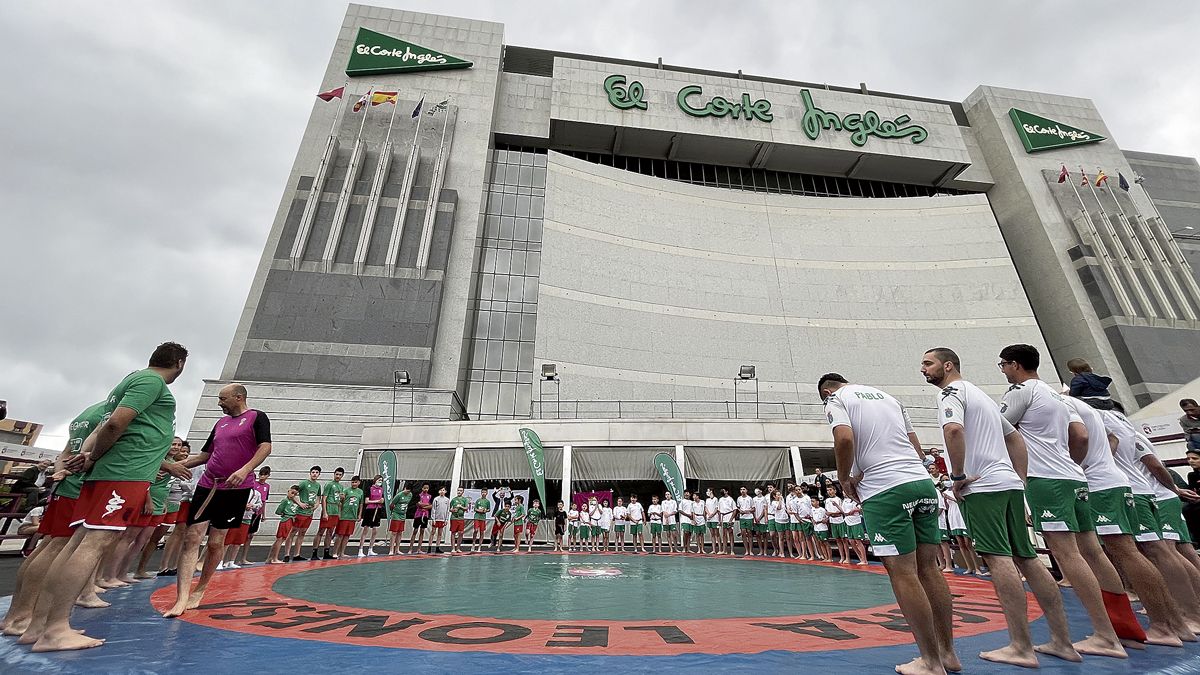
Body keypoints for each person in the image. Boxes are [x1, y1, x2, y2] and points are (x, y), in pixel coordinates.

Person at [23, 342, 188, 652]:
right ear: (179, 363)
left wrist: (87, 455)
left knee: (75, 544)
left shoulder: (130, 380)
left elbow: (104, 424)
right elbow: (114, 423)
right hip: (123, 473)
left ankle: (40, 624)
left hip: (112, 472)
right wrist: (92, 456)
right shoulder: (151, 381)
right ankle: (55, 629)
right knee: (91, 545)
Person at [922, 347, 1079, 668]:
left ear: (947, 365)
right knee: (1029, 558)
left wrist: (958, 475)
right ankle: (1062, 641)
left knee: (998, 560)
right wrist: (1018, 479)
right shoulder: (980, 394)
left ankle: (1021, 646)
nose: (922, 369)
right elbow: (1015, 439)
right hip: (1006, 482)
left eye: (928, 363)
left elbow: (953, 430)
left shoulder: (951, 393)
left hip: (983, 486)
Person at [820, 371, 958, 675]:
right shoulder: (887, 397)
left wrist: (844, 478)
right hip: (921, 484)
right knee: (929, 569)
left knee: (903, 573)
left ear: (826, 391)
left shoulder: (835, 399)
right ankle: (948, 653)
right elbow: (915, 444)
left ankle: (931, 661)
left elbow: (843, 437)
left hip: (885, 488)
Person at [997, 344, 1126, 656]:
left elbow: (997, 430)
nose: (1001, 370)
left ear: (1014, 365)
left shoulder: (1021, 390)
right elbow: (1080, 436)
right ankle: (1119, 628)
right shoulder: (1057, 395)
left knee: (1068, 556)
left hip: (1047, 479)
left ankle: (1104, 635)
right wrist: (1072, 464)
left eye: (1002, 365)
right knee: (1093, 552)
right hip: (1073, 476)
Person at [1067, 394, 1192, 645]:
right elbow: (1112, 440)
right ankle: (1176, 621)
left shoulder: (1089, 414)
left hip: (1116, 488)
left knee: (1141, 552)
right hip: (1126, 486)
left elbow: (1154, 464)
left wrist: (1078, 466)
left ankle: (1169, 623)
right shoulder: (1114, 421)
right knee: (1151, 552)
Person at [2, 402, 110, 638]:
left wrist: (58, 475)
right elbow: (99, 446)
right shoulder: (110, 412)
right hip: (80, 486)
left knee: (49, 546)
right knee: (56, 547)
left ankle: (17, 614)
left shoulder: (86, 413)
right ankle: (22, 616)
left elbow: (65, 453)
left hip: (66, 484)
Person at [163, 383, 271, 618]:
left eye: (223, 399)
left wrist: (245, 470)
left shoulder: (256, 418)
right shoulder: (220, 424)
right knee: (192, 537)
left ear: (238, 397)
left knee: (215, 542)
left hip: (235, 487)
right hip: (208, 485)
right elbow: (205, 455)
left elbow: (265, 447)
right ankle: (181, 598)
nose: (219, 403)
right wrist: (173, 466)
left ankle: (200, 589)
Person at [219, 485, 260, 570]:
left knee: (238, 542)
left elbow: (260, 504)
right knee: (227, 541)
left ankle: (231, 561)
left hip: (247, 518)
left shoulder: (257, 494)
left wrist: (253, 506)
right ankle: (220, 561)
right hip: (236, 517)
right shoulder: (239, 491)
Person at [237, 466, 271, 565]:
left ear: (268, 476)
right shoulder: (253, 484)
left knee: (250, 535)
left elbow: (264, 501)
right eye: (261, 474)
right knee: (241, 534)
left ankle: (243, 558)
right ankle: (232, 558)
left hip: (257, 513)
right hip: (247, 512)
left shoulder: (267, 486)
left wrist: (263, 514)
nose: (262, 476)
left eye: (264, 475)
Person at [312, 467, 346, 560]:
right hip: (328, 509)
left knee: (330, 532)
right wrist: (324, 512)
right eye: (337, 474)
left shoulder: (341, 487)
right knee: (321, 531)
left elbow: (340, 501)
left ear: (342, 476)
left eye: (340, 475)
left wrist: (339, 511)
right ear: (334, 474)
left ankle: (326, 552)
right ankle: (314, 552)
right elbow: (324, 498)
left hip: (335, 510)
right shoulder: (329, 484)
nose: (338, 476)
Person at [268, 486, 304, 564]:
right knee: (280, 539)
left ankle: (270, 558)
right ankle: (274, 558)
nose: (293, 495)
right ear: (288, 491)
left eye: (295, 494)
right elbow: (278, 511)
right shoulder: (285, 501)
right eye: (292, 493)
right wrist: (285, 514)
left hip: (290, 521)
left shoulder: (294, 502)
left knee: (281, 539)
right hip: (286, 520)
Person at [334, 476, 363, 559]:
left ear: (359, 483)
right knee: (340, 535)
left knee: (347, 535)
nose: (354, 484)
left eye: (355, 482)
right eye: (352, 482)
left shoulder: (360, 492)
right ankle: (335, 552)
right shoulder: (346, 491)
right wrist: (339, 513)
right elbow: (340, 502)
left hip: (352, 516)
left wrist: (359, 514)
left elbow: (361, 504)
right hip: (344, 516)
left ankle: (342, 553)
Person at [357, 474, 385, 557]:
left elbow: (382, 500)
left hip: (377, 510)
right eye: (379, 480)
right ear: (375, 480)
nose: (380, 482)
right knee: (366, 529)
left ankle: (370, 549)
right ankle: (361, 549)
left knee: (375, 530)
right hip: (370, 510)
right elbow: (367, 501)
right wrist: (376, 501)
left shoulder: (381, 489)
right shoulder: (370, 489)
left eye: (381, 481)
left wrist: (380, 501)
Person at [840, 494, 869, 565]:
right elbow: (844, 511)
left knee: (858, 541)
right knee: (851, 541)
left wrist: (854, 510)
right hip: (847, 521)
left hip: (856, 522)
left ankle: (864, 560)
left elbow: (860, 508)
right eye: (843, 492)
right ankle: (860, 558)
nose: (844, 493)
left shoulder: (856, 499)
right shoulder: (844, 501)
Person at [387, 483, 413, 556]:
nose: (407, 492)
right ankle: (391, 549)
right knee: (394, 532)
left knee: (400, 532)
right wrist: (394, 511)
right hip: (396, 514)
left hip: (403, 515)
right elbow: (391, 505)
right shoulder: (399, 495)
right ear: (404, 488)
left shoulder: (410, 495)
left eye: (409, 491)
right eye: (406, 490)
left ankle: (397, 549)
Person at [407, 484, 432, 554]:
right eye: (424, 488)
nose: (426, 489)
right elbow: (418, 504)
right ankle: (410, 549)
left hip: (425, 515)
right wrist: (426, 504)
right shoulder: (418, 495)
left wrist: (424, 506)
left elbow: (431, 506)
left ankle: (419, 549)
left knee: (422, 531)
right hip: (418, 515)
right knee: (415, 531)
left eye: (427, 488)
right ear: (422, 488)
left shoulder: (429, 496)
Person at [447, 487, 469, 554]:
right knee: (453, 533)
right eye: (458, 490)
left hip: (461, 518)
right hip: (454, 518)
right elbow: (450, 509)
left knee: (461, 533)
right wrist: (453, 510)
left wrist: (460, 507)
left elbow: (466, 508)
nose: (459, 492)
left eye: (461, 491)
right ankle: (453, 548)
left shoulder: (465, 500)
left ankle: (458, 548)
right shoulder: (454, 500)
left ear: (463, 492)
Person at [429, 486, 450, 553]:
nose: (442, 491)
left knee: (440, 533)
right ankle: (429, 547)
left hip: (442, 519)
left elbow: (447, 510)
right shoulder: (436, 499)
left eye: (443, 490)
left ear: (445, 491)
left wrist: (446, 520)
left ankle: (437, 547)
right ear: (438, 491)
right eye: (440, 490)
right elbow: (433, 509)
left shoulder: (447, 500)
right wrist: (433, 519)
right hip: (436, 519)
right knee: (433, 532)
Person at [471, 488, 491, 553]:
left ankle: (479, 546)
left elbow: (488, 509)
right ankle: (473, 544)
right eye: (482, 492)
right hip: (477, 517)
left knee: (482, 532)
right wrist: (479, 510)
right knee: (476, 530)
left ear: (487, 493)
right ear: (481, 493)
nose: (483, 493)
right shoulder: (478, 500)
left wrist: (485, 510)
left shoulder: (487, 501)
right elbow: (475, 509)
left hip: (483, 518)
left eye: (485, 492)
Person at [718, 488, 736, 555]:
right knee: (724, 534)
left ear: (727, 491)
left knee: (730, 533)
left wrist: (731, 520)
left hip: (729, 516)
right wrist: (719, 520)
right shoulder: (720, 499)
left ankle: (732, 550)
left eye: (724, 490)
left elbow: (734, 510)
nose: (722, 492)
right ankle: (724, 550)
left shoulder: (730, 499)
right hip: (723, 517)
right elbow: (719, 511)